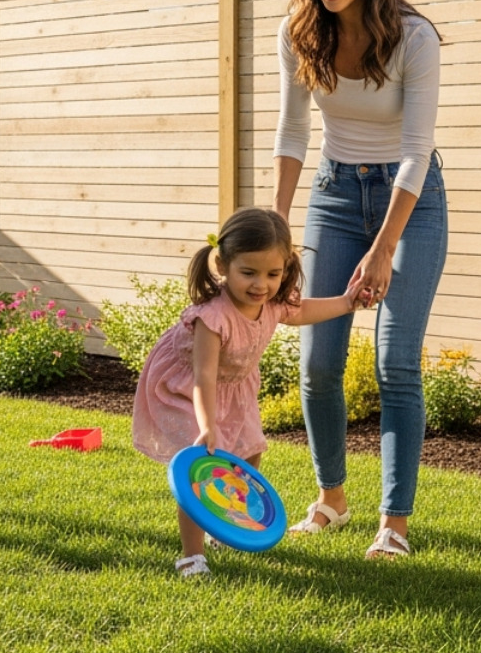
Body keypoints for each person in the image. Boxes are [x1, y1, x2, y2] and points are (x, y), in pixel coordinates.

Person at [272, 0, 447, 560]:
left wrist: (383, 249)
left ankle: (393, 525)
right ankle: (331, 499)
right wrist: (277, 228)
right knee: (318, 362)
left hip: (411, 203)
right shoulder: (298, 31)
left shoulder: (413, 38)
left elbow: (416, 150)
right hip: (335, 195)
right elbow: (293, 131)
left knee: (395, 361)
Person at [132, 207, 365, 577]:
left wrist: (348, 301)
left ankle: (224, 524)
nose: (261, 285)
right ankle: (192, 555)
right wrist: (207, 426)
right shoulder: (213, 317)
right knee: (200, 465)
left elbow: (302, 311)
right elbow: (203, 376)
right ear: (223, 265)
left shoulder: (272, 303)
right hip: (186, 388)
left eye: (273, 274)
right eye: (249, 273)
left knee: (249, 452)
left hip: (235, 387)